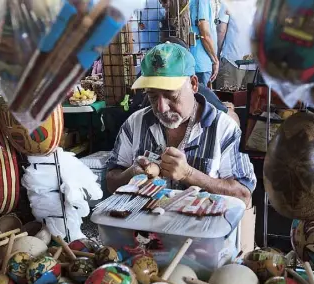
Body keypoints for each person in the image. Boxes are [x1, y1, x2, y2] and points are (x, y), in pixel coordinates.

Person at [106, 42, 256, 206]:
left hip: (200, 229)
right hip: (145, 228)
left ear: (193, 84)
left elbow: (244, 195)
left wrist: (189, 174)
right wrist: (131, 174)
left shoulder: (224, 128)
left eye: (171, 95)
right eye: (153, 96)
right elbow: (110, 182)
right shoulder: (135, 123)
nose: (161, 108)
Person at [216, 1, 257, 89]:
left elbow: (221, 30)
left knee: (227, 100)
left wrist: (216, 55)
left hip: (232, 60)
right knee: (249, 101)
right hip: (254, 64)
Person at [189, 0, 220, 86]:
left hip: (194, 61)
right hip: (202, 62)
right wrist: (215, 60)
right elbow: (204, 32)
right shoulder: (204, 1)